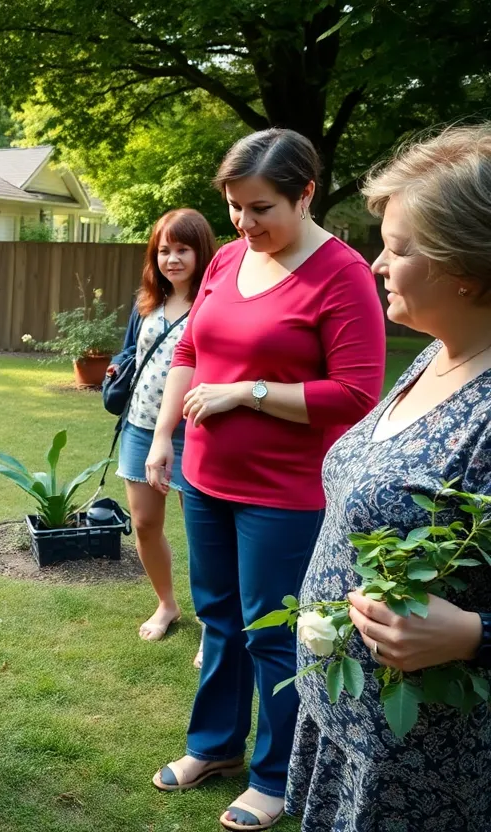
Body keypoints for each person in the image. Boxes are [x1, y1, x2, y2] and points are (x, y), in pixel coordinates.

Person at [146, 128, 386, 830]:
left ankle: (276, 775)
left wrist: (246, 393)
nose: (245, 224)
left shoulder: (339, 274)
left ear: (304, 194)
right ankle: (213, 746)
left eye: (261, 209)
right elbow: (190, 348)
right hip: (207, 476)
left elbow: (355, 391)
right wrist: (164, 436)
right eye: (235, 207)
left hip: (286, 492)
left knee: (275, 632)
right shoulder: (225, 259)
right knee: (219, 619)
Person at [286, 124, 491, 831]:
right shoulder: (438, 354)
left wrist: (474, 633)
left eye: (398, 249)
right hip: (348, 725)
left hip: (424, 768)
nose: (375, 264)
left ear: (469, 266)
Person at [110, 209, 216, 656]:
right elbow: (133, 348)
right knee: (145, 524)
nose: (172, 259)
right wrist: (119, 364)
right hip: (140, 427)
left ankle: (214, 624)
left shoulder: (215, 301)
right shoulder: (147, 301)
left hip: (195, 431)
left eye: (182, 249)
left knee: (203, 532)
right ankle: (167, 604)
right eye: (164, 250)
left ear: (200, 251)